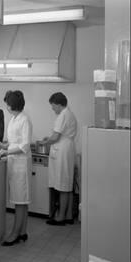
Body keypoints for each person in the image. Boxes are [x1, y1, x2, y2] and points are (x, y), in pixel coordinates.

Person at [0, 90, 33, 246]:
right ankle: (23, 232)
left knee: (20, 200)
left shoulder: (25, 120)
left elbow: (24, 145)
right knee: (21, 200)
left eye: (7, 103)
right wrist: (3, 145)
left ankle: (15, 234)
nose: (6, 106)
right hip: (14, 161)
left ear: (12, 104)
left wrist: (6, 151)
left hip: (21, 164)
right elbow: (14, 141)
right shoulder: (14, 119)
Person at [43, 92, 78, 225]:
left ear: (58, 104)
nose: (52, 109)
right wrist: (50, 138)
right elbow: (57, 135)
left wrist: (44, 142)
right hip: (66, 149)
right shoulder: (69, 114)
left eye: (53, 106)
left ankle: (61, 217)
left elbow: (55, 137)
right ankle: (68, 215)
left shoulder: (63, 115)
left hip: (62, 152)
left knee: (62, 186)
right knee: (67, 185)